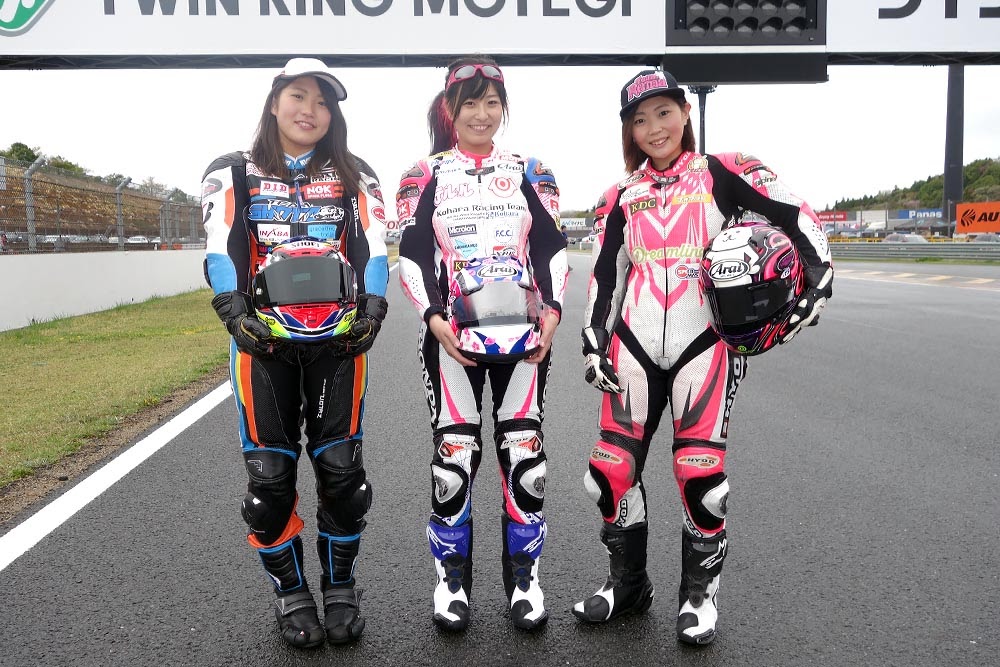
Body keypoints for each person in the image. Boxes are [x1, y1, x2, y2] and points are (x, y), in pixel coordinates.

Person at [571, 70, 832, 645]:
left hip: (706, 343)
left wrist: (818, 279)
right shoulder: (619, 195)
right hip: (633, 344)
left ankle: (699, 596)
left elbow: (795, 212)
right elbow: (607, 274)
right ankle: (629, 585)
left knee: (700, 477)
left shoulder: (724, 170)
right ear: (629, 131)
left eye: (663, 113)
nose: (653, 128)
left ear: (685, 113)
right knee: (607, 474)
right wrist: (593, 339)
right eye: (640, 120)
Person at [200, 57, 389, 649]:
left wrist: (373, 309)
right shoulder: (232, 169)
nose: (310, 110)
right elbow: (221, 246)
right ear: (275, 101)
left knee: (344, 476)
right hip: (263, 342)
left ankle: (341, 588)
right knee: (269, 485)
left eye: (323, 102)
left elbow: (373, 249)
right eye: (299, 96)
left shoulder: (356, 172)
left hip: (338, 341)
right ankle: (291, 593)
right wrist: (232, 310)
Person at [395, 55, 568, 632]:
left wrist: (553, 313)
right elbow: (412, 256)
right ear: (450, 109)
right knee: (453, 461)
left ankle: (525, 581)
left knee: (525, 459)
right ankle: (451, 583)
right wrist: (432, 318)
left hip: (525, 337)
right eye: (470, 102)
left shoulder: (531, 169)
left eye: (492, 102)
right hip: (452, 338)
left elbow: (551, 248)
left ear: (504, 108)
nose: (481, 114)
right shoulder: (423, 173)